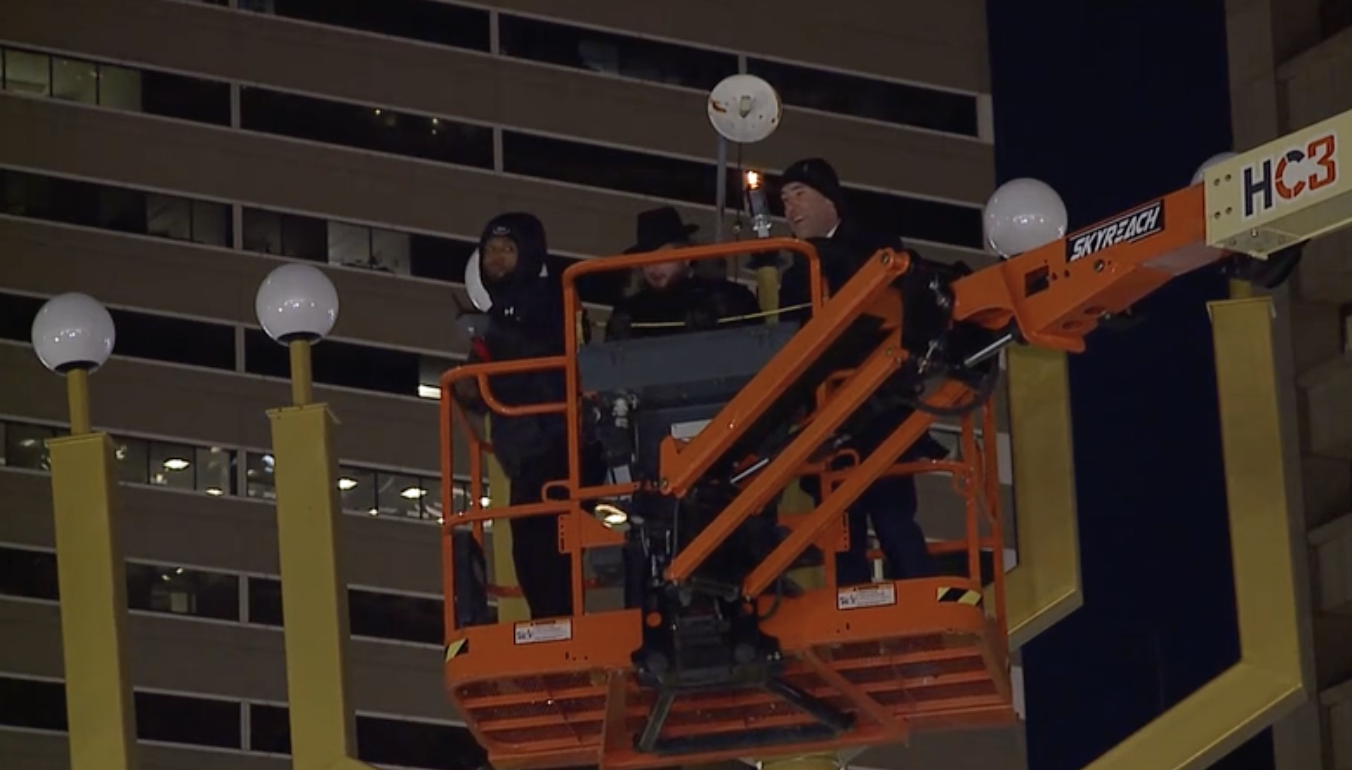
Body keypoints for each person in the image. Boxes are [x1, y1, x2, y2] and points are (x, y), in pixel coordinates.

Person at [775, 158, 950, 586]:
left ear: (829, 199)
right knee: (841, 528)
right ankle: (850, 605)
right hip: (825, 416)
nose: (789, 207)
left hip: (880, 406)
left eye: (798, 194)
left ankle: (918, 595)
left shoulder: (875, 247)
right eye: (783, 199)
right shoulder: (797, 269)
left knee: (892, 514)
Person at [452, 212, 601, 620]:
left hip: (562, 443)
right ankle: (553, 629)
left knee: (547, 545)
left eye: (507, 249)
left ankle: (560, 631)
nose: (496, 259)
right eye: (490, 251)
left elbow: (549, 364)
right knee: (530, 549)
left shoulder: (556, 298)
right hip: (527, 452)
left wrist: (491, 344)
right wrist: (469, 383)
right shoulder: (497, 319)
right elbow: (482, 388)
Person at [605, 206, 762, 341]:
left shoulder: (728, 297)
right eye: (646, 259)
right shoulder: (630, 312)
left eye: (662, 257)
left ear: (686, 256)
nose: (652, 267)